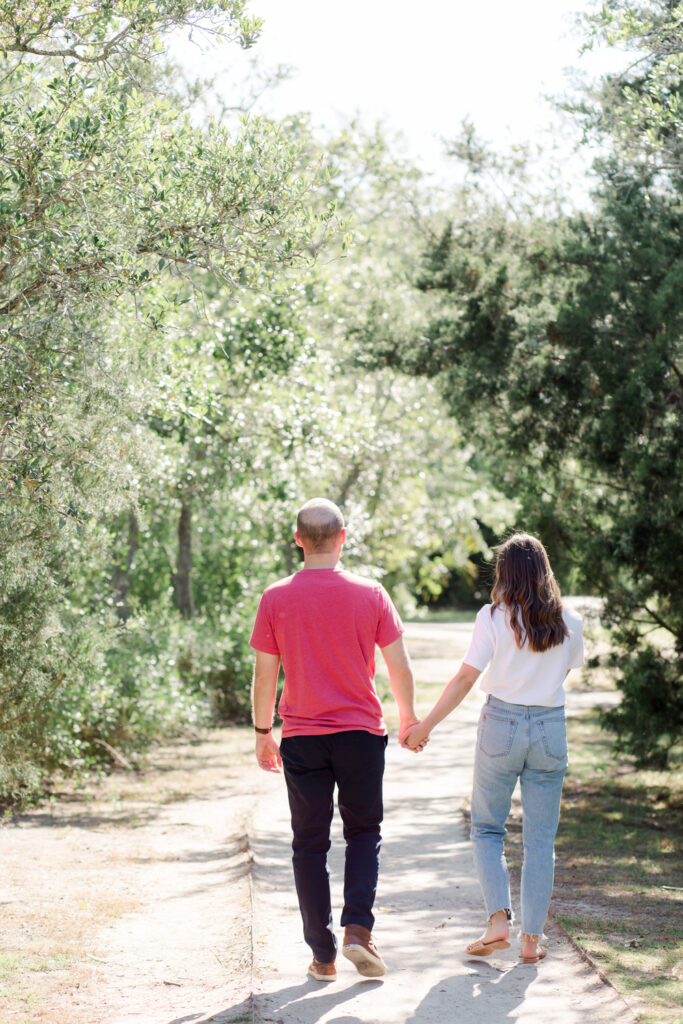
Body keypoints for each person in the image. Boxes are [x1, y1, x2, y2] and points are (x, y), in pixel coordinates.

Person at [250, 498, 423, 983]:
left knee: (309, 843)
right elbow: (399, 667)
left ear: (298, 539)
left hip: (302, 737)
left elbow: (265, 676)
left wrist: (263, 733)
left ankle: (323, 955)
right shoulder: (371, 594)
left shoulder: (275, 597)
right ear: (343, 537)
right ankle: (358, 931)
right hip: (361, 735)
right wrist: (409, 720)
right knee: (363, 832)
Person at [404, 533, 583, 964]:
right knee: (540, 840)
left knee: (487, 828)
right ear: (544, 570)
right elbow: (564, 673)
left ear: (506, 573)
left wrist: (424, 726)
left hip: (501, 723)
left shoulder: (492, 617)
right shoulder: (571, 620)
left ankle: (498, 922)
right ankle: (531, 941)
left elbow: (466, 678)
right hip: (550, 727)